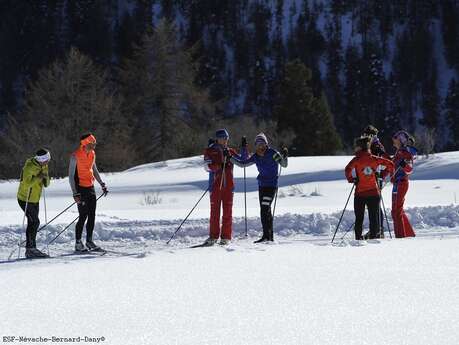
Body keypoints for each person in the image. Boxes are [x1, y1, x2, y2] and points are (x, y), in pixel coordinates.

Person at [231, 133, 288, 243]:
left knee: (264, 209)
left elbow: (283, 164)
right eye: (258, 144)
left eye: (262, 144)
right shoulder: (256, 156)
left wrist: (285, 156)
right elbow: (243, 164)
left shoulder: (272, 153)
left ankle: (266, 236)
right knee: (266, 210)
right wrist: (230, 158)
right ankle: (269, 237)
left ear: (266, 144)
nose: (260, 147)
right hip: (262, 186)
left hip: (271, 186)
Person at [345, 137, 394, 240]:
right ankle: (373, 238)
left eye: (356, 147)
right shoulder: (374, 159)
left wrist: (352, 179)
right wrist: (382, 175)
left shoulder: (356, 160)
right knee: (374, 218)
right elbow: (390, 164)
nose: (355, 149)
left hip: (360, 194)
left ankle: (358, 239)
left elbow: (347, 169)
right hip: (374, 193)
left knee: (359, 218)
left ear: (360, 148)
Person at [203, 129, 246, 246]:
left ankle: (226, 237)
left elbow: (243, 161)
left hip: (228, 187)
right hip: (215, 186)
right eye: (223, 138)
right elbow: (206, 166)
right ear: (217, 139)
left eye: (227, 138)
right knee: (214, 213)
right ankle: (213, 236)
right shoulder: (210, 150)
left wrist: (244, 148)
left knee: (227, 213)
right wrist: (219, 165)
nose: (225, 140)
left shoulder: (230, 151)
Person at [69, 133, 108, 252]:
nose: (94, 145)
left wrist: (101, 183)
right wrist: (75, 193)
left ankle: (89, 241)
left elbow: (94, 169)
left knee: (92, 215)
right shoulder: (75, 156)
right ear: (86, 143)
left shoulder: (92, 153)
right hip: (80, 188)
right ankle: (78, 243)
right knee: (83, 216)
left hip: (90, 187)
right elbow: (71, 176)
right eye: (92, 143)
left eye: (95, 143)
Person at [17, 148, 51, 258]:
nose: (48, 162)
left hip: (35, 199)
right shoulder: (29, 167)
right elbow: (26, 184)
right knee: (34, 222)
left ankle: (32, 248)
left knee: (33, 222)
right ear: (41, 160)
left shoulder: (44, 165)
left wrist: (45, 178)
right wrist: (38, 177)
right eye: (46, 160)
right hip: (25, 198)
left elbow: (47, 184)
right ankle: (30, 249)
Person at [361, 125, 391, 238]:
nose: (365, 137)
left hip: (375, 179)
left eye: (367, 135)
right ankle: (376, 229)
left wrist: (382, 176)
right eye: (364, 135)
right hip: (368, 178)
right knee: (372, 205)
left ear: (373, 136)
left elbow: (389, 162)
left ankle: (379, 230)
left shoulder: (377, 147)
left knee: (375, 205)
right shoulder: (368, 146)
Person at [391, 130, 416, 238]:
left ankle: (400, 237)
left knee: (397, 211)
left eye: (395, 139)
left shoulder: (406, 153)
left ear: (401, 141)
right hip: (396, 184)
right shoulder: (398, 152)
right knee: (395, 211)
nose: (393, 141)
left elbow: (410, 170)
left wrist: (404, 164)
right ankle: (409, 234)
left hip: (402, 183)